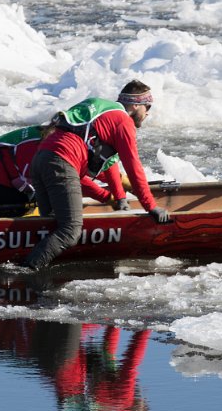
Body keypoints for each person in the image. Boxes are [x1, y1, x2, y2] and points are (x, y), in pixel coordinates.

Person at [23, 80, 171, 270]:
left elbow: (109, 162)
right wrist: (151, 207)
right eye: (147, 106)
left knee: (50, 224)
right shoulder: (123, 121)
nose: (148, 112)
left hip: (41, 159)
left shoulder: (101, 109)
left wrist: (120, 197)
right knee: (69, 231)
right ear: (135, 105)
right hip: (62, 162)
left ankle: (31, 262)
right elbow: (133, 166)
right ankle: (26, 272)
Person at [0, 124, 130, 211]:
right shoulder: (52, 149)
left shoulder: (68, 139)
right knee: (26, 204)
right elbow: (72, 180)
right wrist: (109, 198)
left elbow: (91, 168)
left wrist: (126, 183)